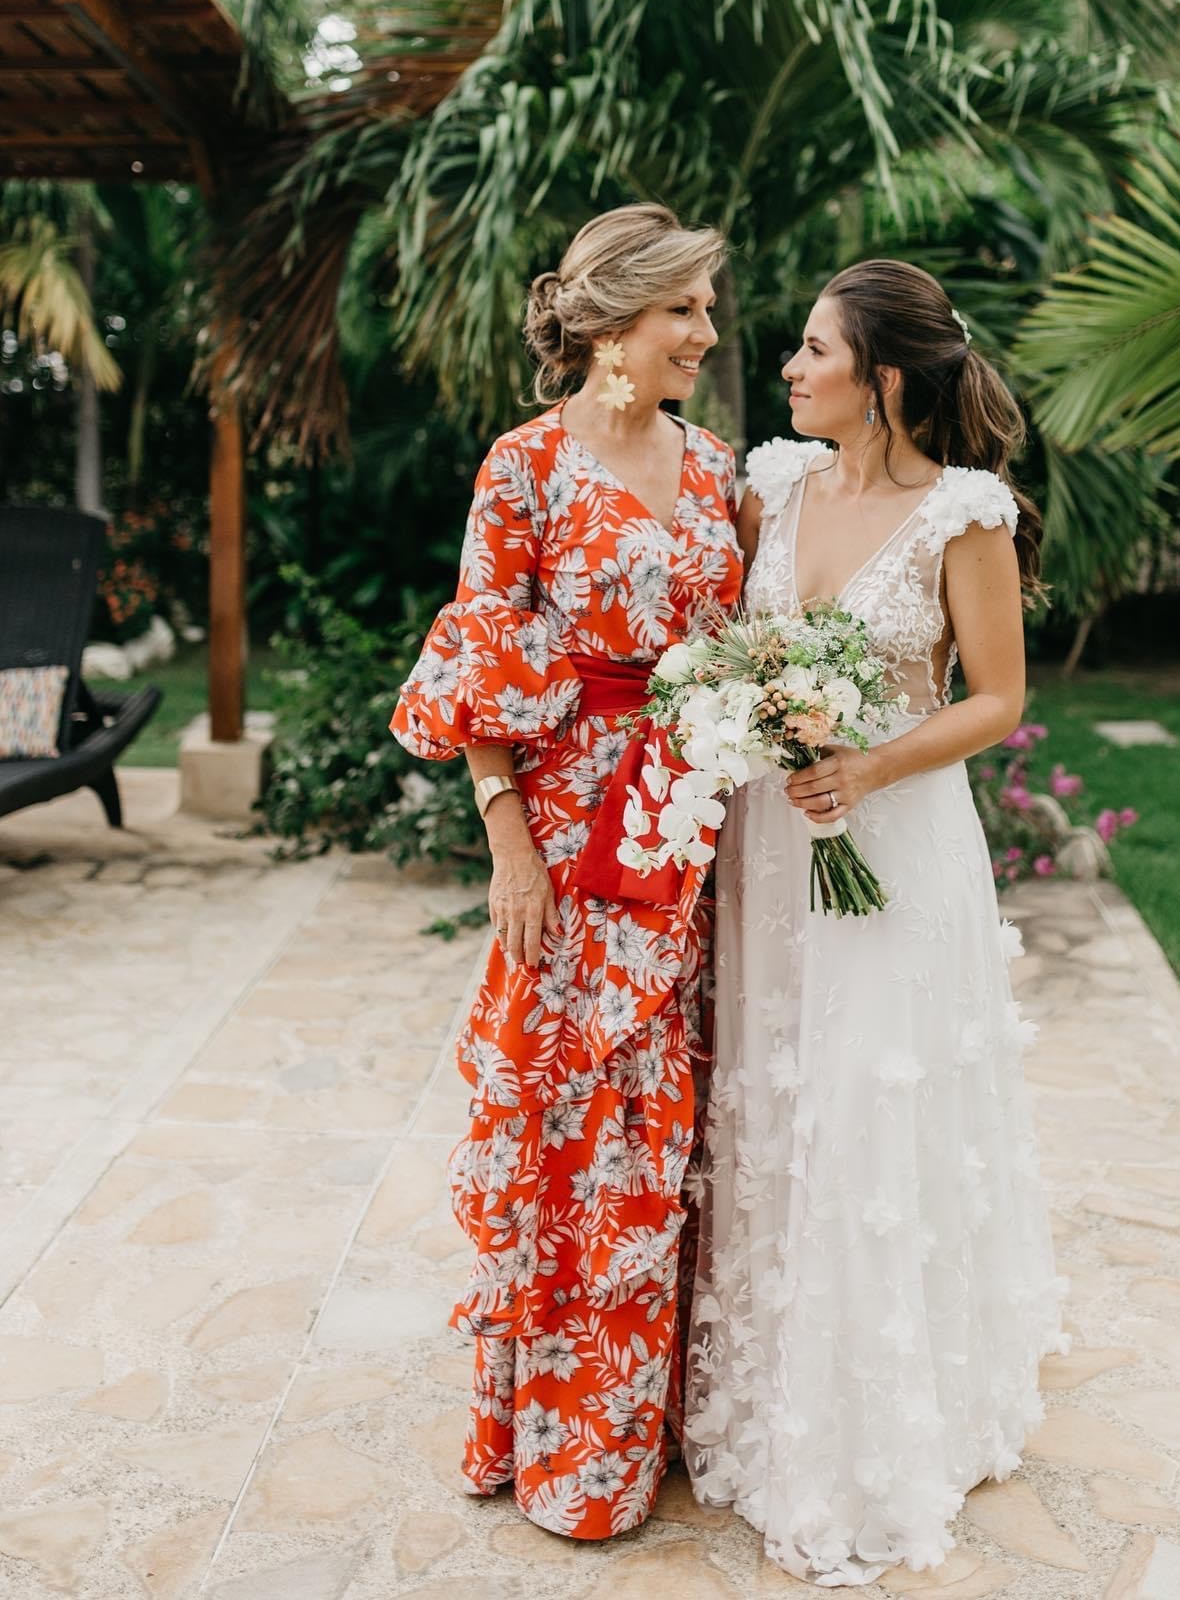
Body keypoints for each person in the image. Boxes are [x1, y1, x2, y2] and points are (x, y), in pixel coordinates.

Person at [684, 259, 1068, 1586]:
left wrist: (869, 763)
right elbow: (722, 638)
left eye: (812, 351)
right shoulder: (771, 486)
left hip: (895, 841)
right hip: (778, 847)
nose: (788, 370)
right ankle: (776, 1387)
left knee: (867, 1100)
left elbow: (997, 699)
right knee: (781, 1092)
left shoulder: (964, 515)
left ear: (883, 379)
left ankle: (880, 1421)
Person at [391, 203, 743, 1539]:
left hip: (680, 831)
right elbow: (483, 668)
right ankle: (542, 1436)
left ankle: (629, 1434)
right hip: (564, 837)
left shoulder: (712, 468)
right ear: (609, 320)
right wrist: (510, 849)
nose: (707, 335)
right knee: (558, 1131)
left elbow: (731, 651)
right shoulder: (522, 466)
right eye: (685, 312)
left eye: (708, 311)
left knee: (654, 1128)